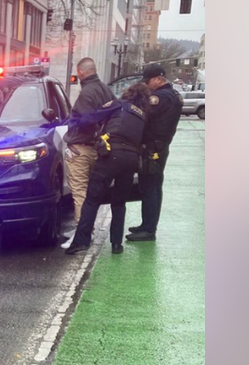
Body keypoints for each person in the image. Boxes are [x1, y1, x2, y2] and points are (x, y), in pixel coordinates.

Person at [63, 83, 154, 255]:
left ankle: (81, 241)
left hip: (112, 154)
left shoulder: (119, 104)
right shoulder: (142, 115)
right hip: (132, 159)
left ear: (129, 93)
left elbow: (90, 118)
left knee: (92, 199)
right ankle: (117, 245)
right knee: (119, 202)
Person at [127, 64, 183, 242]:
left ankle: (149, 229)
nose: (147, 85)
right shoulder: (174, 95)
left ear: (158, 79)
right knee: (154, 186)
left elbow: (143, 114)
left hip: (153, 147)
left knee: (150, 186)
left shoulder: (160, 98)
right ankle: (147, 225)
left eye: (149, 81)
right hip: (160, 146)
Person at [61, 58, 115, 230]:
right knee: (92, 192)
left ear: (81, 72)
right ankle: (87, 229)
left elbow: (85, 121)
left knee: (79, 192)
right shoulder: (106, 90)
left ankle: (82, 233)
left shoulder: (86, 93)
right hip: (98, 149)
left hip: (80, 148)